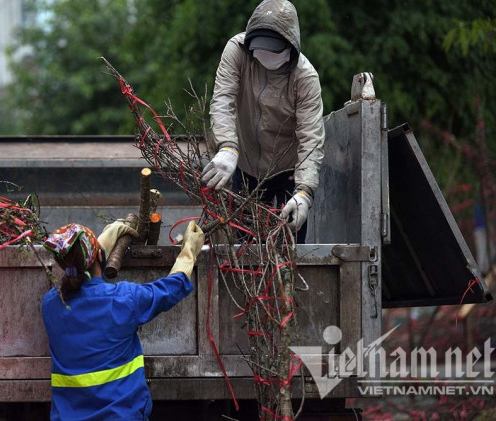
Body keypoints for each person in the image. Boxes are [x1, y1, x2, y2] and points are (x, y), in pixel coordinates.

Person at [41, 219, 205, 420]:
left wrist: (101, 244)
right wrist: (189, 251)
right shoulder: (122, 300)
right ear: (100, 255)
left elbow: (76, 273)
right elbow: (169, 289)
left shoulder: (51, 304)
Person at [202, 0, 325, 243]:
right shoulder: (237, 51)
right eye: (260, 49)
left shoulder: (305, 78)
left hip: (288, 169)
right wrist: (227, 146)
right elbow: (222, 100)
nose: (264, 55)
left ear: (290, 47)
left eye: (272, 50)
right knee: (244, 244)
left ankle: (288, 279)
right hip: (245, 164)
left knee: (291, 239)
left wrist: (304, 191)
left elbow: (311, 138)